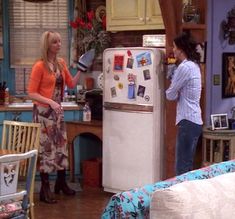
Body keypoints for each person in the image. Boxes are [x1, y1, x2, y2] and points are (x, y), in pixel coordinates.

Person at [27, 31, 87, 204]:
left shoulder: (60, 63)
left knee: (61, 147)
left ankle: (61, 182)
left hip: (57, 113)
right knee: (46, 150)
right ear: (47, 45)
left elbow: (71, 84)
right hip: (44, 114)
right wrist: (50, 102)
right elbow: (31, 93)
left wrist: (81, 70)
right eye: (55, 42)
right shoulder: (39, 66)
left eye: (60, 42)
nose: (59, 45)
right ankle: (45, 188)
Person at [166, 32, 203, 176]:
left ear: (181, 49)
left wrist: (174, 87)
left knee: (182, 168)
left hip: (187, 121)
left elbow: (170, 94)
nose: (173, 50)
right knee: (187, 166)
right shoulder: (194, 66)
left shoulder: (184, 67)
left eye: (174, 47)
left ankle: (180, 199)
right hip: (194, 121)